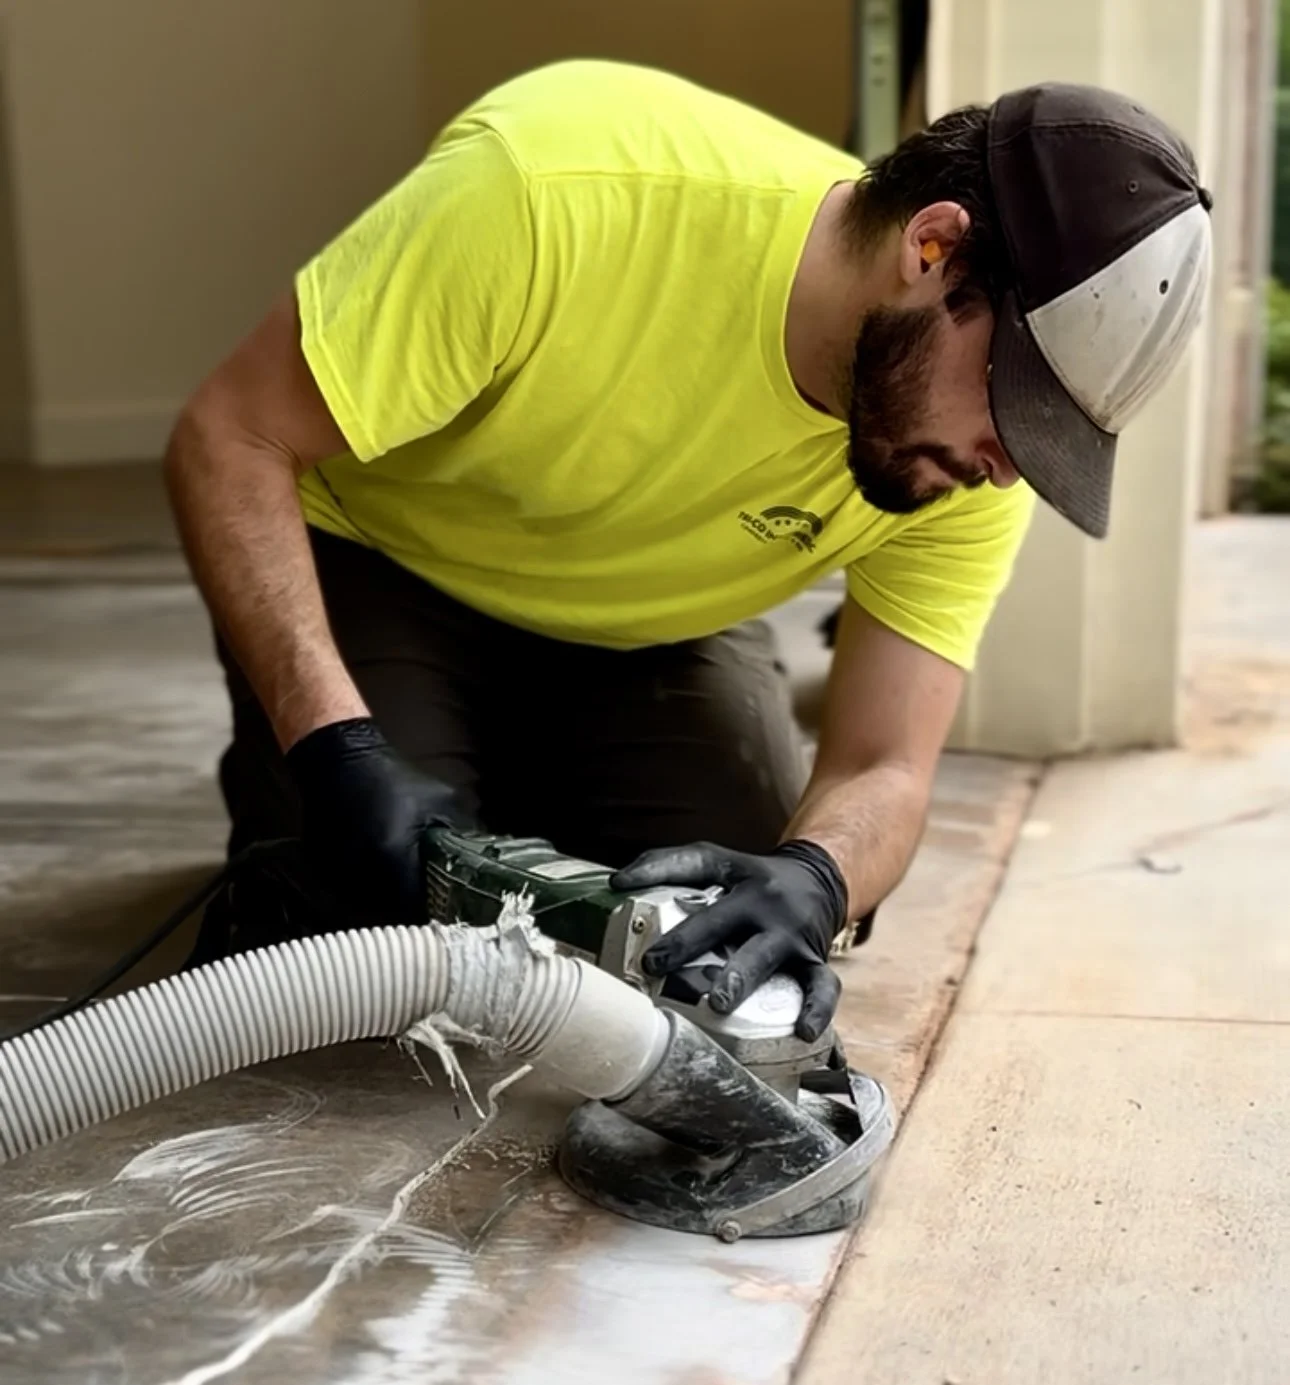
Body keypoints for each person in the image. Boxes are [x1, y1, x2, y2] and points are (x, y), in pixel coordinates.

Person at [166, 61, 1212, 1043]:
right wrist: (333, 746)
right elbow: (232, 435)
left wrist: (818, 876)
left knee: (720, 926)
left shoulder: (964, 464)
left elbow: (883, 765)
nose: (1007, 467)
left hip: (653, 629)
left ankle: (498, 775)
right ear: (934, 249)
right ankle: (351, 780)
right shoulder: (553, 191)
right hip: (391, 565)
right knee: (369, 946)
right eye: (1015, 402)